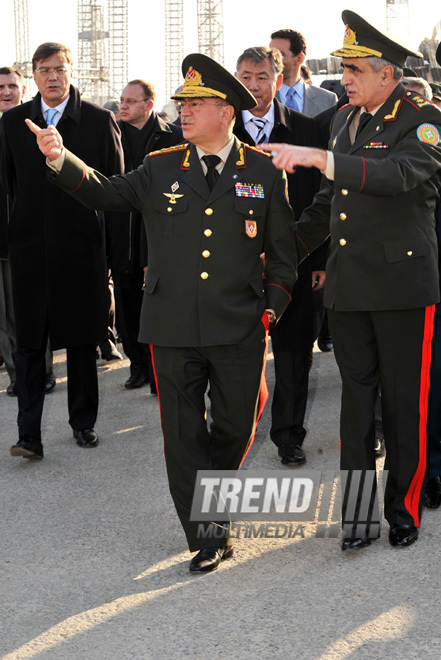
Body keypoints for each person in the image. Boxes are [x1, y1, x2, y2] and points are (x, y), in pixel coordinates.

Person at [26, 53, 298, 572]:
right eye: (181, 103)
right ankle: (207, 532)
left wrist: (271, 310)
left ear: (226, 112)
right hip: (171, 325)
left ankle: (213, 504)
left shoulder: (262, 171)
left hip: (239, 325)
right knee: (182, 433)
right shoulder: (160, 165)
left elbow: (283, 253)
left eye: (195, 104)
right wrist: (61, 157)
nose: (184, 112)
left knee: (238, 427)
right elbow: (105, 193)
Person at [261, 11, 441, 551]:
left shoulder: (424, 121)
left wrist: (319, 158)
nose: (345, 79)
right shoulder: (342, 120)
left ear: (386, 74)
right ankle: (359, 518)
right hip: (349, 288)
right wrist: (281, 252)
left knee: (405, 405)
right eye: (344, 70)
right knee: (357, 406)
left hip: (402, 289)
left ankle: (402, 512)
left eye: (355, 70)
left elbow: (396, 176)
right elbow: (325, 206)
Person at [0, 42, 124, 459]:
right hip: (30, 252)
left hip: (81, 251)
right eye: (43, 69)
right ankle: (28, 435)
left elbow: (117, 189)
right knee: (30, 344)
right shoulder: (13, 122)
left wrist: (113, 256)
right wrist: (12, 238)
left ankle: (83, 423)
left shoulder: (98, 121)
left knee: (81, 341)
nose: (52, 76)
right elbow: (7, 188)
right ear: (32, 75)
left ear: (72, 72)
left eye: (59, 68)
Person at [234, 46, 324, 466]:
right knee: (236, 353)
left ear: (278, 78)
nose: (253, 86)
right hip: (233, 266)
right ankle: (236, 434)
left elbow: (323, 199)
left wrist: (318, 261)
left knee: (292, 352)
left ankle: (289, 435)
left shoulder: (305, 130)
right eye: (245, 78)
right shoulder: (221, 130)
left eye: (262, 77)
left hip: (295, 260)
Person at [106, 79, 182, 391]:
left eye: (130, 101)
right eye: (121, 100)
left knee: (160, 303)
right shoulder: (112, 134)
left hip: (159, 232)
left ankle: (158, 371)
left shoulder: (172, 136)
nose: (122, 106)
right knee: (126, 300)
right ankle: (137, 366)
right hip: (123, 230)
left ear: (149, 105)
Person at [269, 29, 337, 116]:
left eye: (279, 54)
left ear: (299, 59)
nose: (272, 60)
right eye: (270, 54)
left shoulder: (328, 100)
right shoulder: (260, 97)